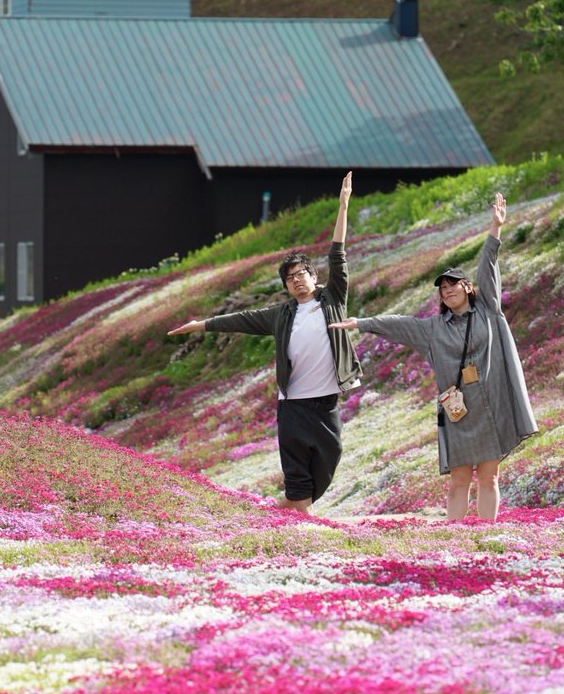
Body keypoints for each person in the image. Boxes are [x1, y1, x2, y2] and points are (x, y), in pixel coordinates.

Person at [328, 192, 537, 521]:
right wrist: (361, 323)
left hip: (491, 403)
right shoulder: (432, 328)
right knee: (458, 481)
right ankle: (453, 537)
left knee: (489, 477)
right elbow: (399, 325)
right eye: (443, 287)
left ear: (468, 287)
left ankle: (484, 535)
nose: (448, 289)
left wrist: (495, 229)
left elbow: (488, 268)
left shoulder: (488, 310)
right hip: (456, 410)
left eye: (454, 284)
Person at [167, 172, 363, 514]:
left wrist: (343, 205)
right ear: (286, 286)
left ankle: (283, 510)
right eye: (290, 279)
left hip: (326, 401)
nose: (297, 281)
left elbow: (338, 254)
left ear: (313, 276)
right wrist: (201, 324)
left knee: (330, 459)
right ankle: (300, 519)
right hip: (293, 405)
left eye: (302, 274)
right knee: (298, 473)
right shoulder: (281, 315)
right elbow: (241, 319)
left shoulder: (332, 299)